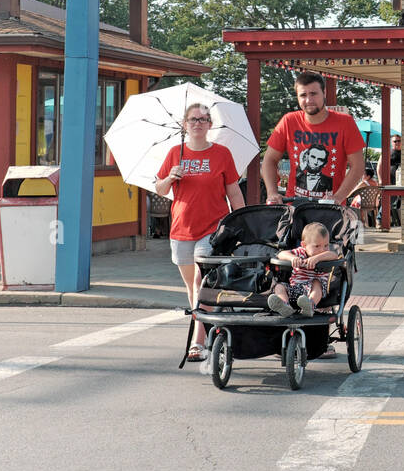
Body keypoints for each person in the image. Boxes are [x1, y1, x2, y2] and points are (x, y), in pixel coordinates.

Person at [155, 102, 244, 361]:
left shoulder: (221, 154)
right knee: (191, 287)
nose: (198, 123)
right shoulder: (175, 153)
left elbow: (234, 192)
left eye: (204, 119)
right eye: (193, 119)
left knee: (200, 280)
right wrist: (170, 177)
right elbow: (160, 189)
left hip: (212, 228)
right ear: (185, 125)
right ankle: (207, 323)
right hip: (181, 229)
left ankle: (198, 339)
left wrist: (244, 223)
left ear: (210, 125)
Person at [261, 71, 366, 207]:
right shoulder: (289, 121)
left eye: (313, 94)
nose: (309, 100)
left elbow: (357, 166)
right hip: (294, 207)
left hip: (330, 208)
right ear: (297, 97)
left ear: (324, 93)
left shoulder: (345, 122)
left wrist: (338, 197)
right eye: (303, 95)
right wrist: (272, 192)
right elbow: (269, 160)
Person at [267, 222, 339, 316]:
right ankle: (285, 305)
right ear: (304, 245)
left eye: (326, 245)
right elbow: (281, 254)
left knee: (317, 282)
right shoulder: (300, 253)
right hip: (296, 289)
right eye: (317, 246)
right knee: (279, 286)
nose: (323, 250)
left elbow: (334, 255)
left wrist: (316, 258)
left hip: (314, 292)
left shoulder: (325, 255)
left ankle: (310, 305)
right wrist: (292, 258)